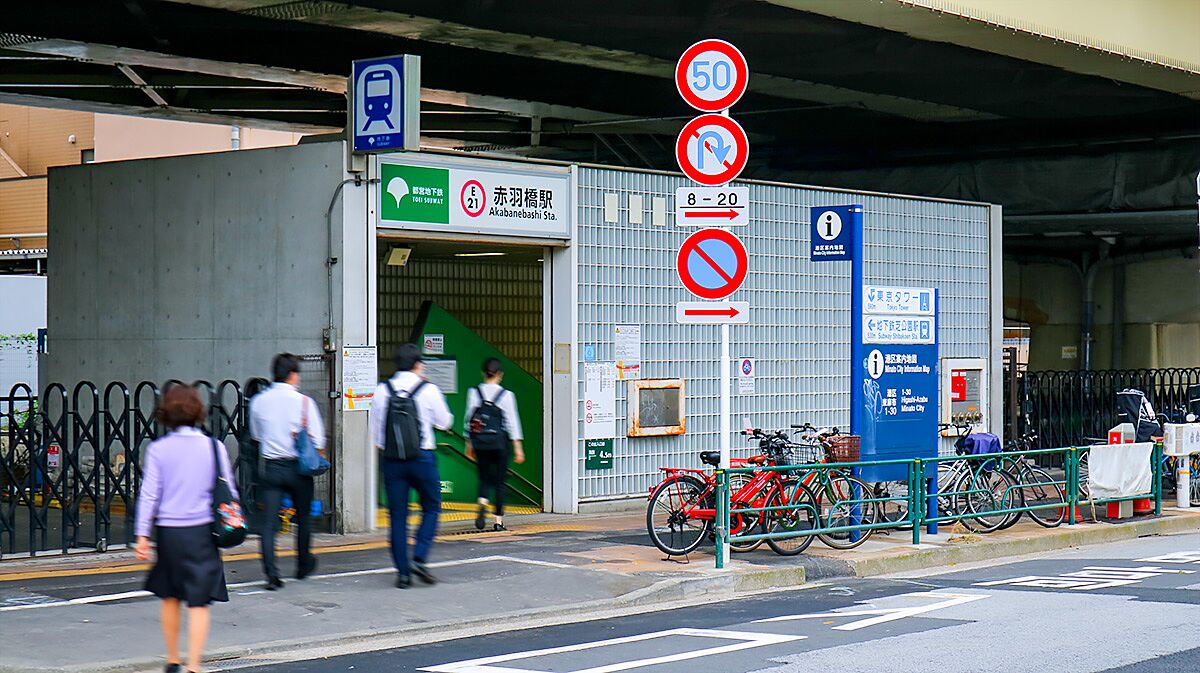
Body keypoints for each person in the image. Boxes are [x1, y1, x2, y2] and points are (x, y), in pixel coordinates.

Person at [135, 384, 237, 673]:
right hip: (203, 532)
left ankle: (172, 659)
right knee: (199, 601)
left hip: (169, 533)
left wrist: (142, 535)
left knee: (170, 595)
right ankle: (193, 665)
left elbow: (150, 495)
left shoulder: (158, 449)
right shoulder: (214, 447)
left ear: (167, 413)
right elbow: (229, 491)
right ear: (197, 411)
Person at [370, 343, 453, 589]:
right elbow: (445, 421)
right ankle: (419, 555)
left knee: (397, 516)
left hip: (393, 461)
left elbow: (376, 436)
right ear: (419, 364)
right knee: (431, 507)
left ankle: (403, 574)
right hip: (423, 459)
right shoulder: (428, 390)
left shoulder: (382, 391)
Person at [249, 353, 326, 590]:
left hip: (272, 467)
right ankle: (303, 565)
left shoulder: (259, 401)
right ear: (293, 375)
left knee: (269, 524)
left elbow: (256, 436)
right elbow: (319, 438)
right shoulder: (303, 402)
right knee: (302, 518)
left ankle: (271, 574)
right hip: (298, 469)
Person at [465, 357, 525, 531]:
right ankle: (498, 522)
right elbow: (512, 421)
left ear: (483, 373)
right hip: (500, 443)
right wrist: (518, 448)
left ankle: (482, 501)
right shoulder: (506, 395)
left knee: (484, 477)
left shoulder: (474, 392)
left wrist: (469, 444)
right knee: (499, 482)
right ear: (500, 374)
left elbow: (469, 420)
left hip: (480, 443)